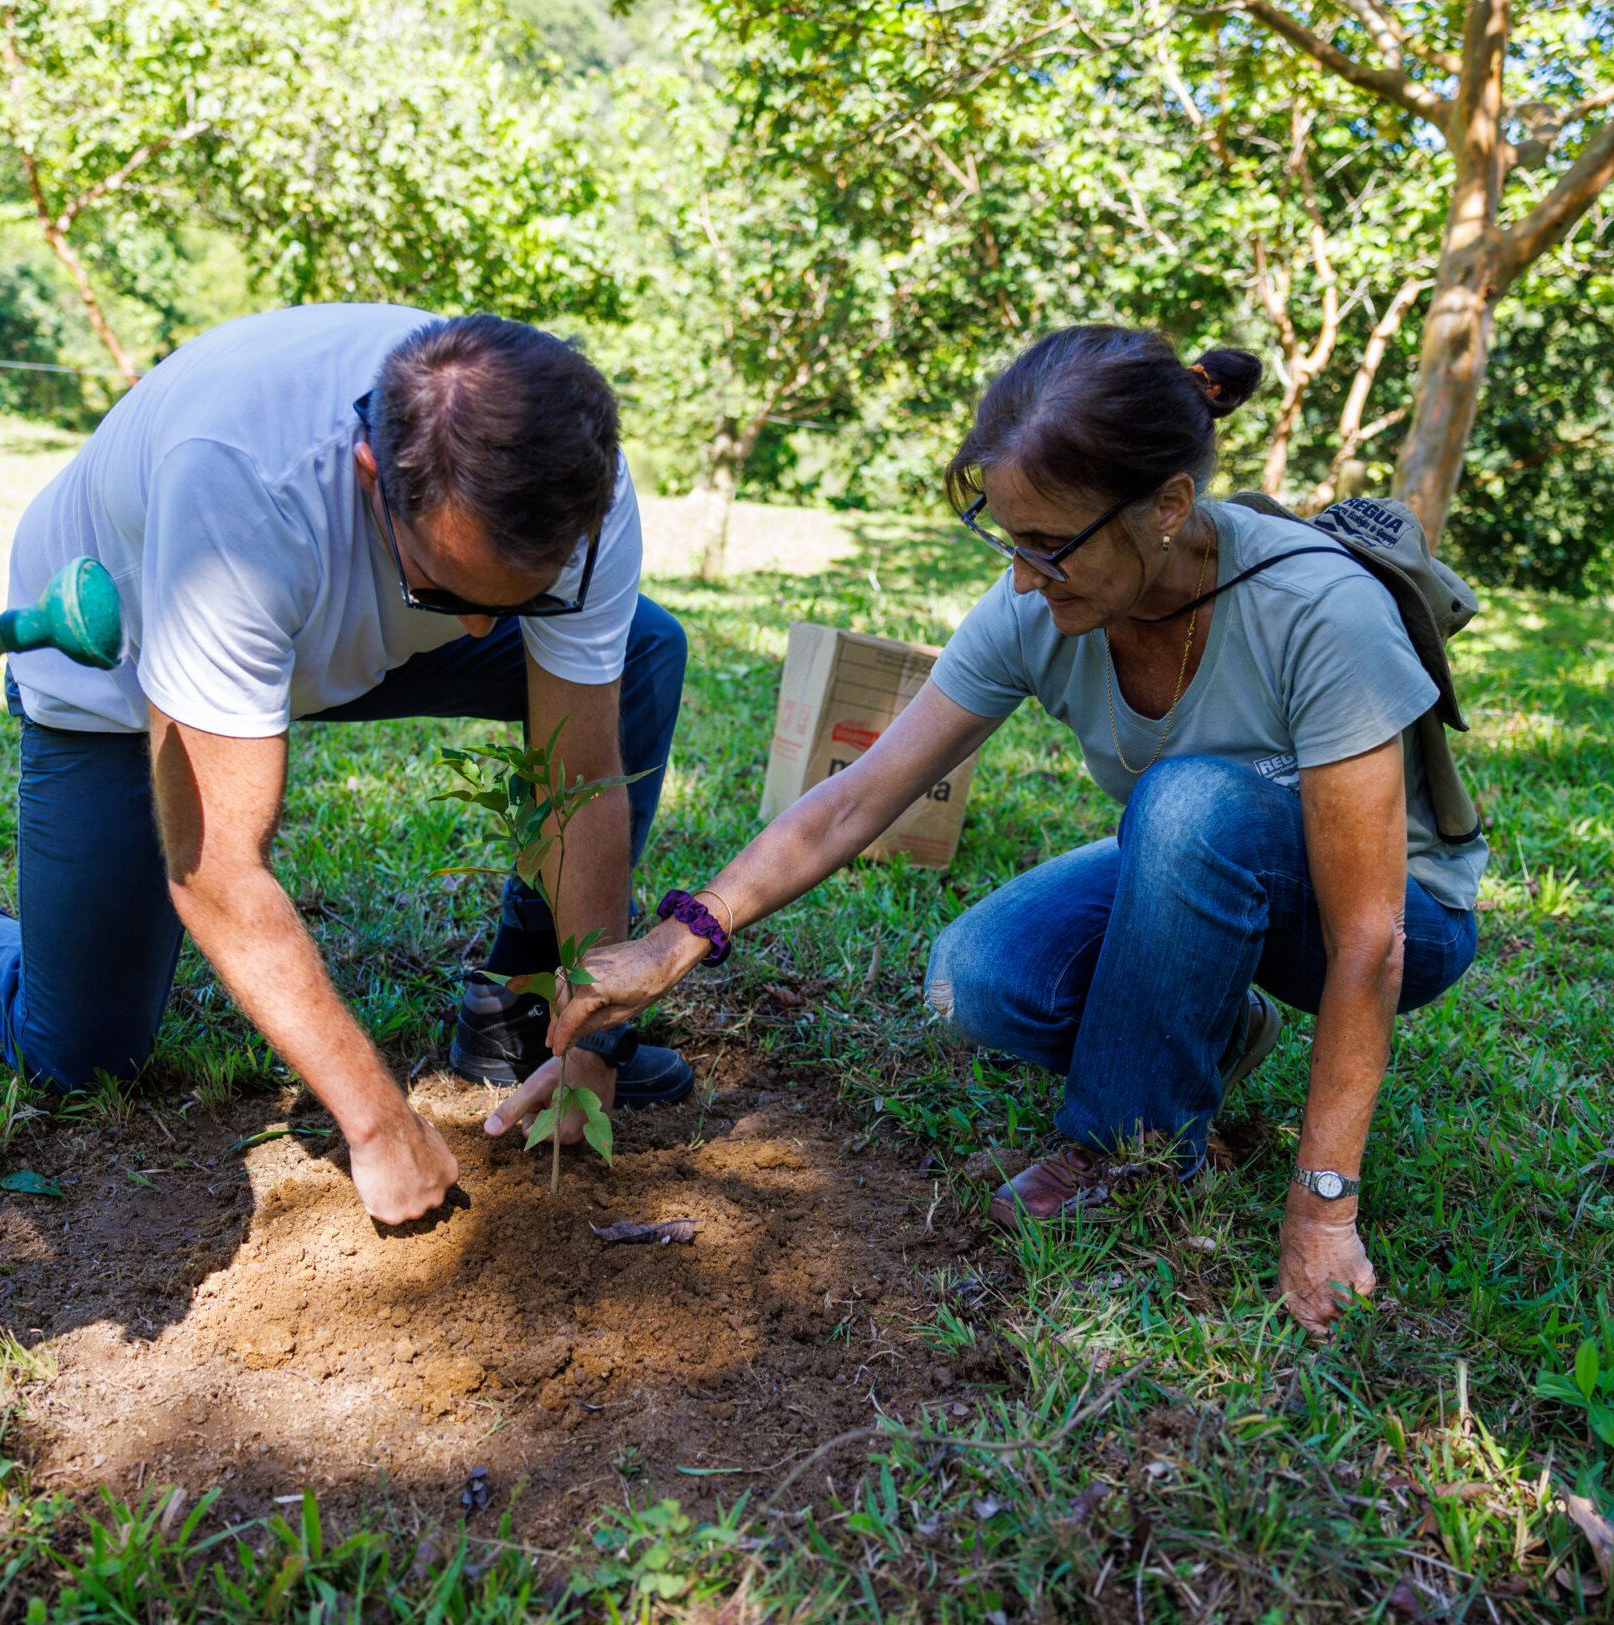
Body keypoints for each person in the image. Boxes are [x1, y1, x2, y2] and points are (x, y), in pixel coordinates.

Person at [530, 326, 1484, 1330]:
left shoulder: (1316, 611)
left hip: (1396, 912)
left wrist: (1323, 1207)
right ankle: (1206, 1027)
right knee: (977, 980)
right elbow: (860, 796)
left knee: (1189, 801)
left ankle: (1126, 1151)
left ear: (1166, 508)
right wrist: (679, 939)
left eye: (1051, 546)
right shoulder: (1041, 600)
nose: (1024, 579)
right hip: (1196, 855)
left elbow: (1372, 941)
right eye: (1006, 536)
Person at [0, 306, 692, 1228]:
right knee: (78, 1049)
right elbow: (216, 866)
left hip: (335, 631)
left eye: (528, 598)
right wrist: (379, 1121)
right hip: (125, 660)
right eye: (447, 588)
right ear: (371, 477)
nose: (485, 629)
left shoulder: (569, 479)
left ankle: (514, 1014)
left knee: (640, 651)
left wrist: (595, 1032)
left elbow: (579, 780)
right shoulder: (241, 489)